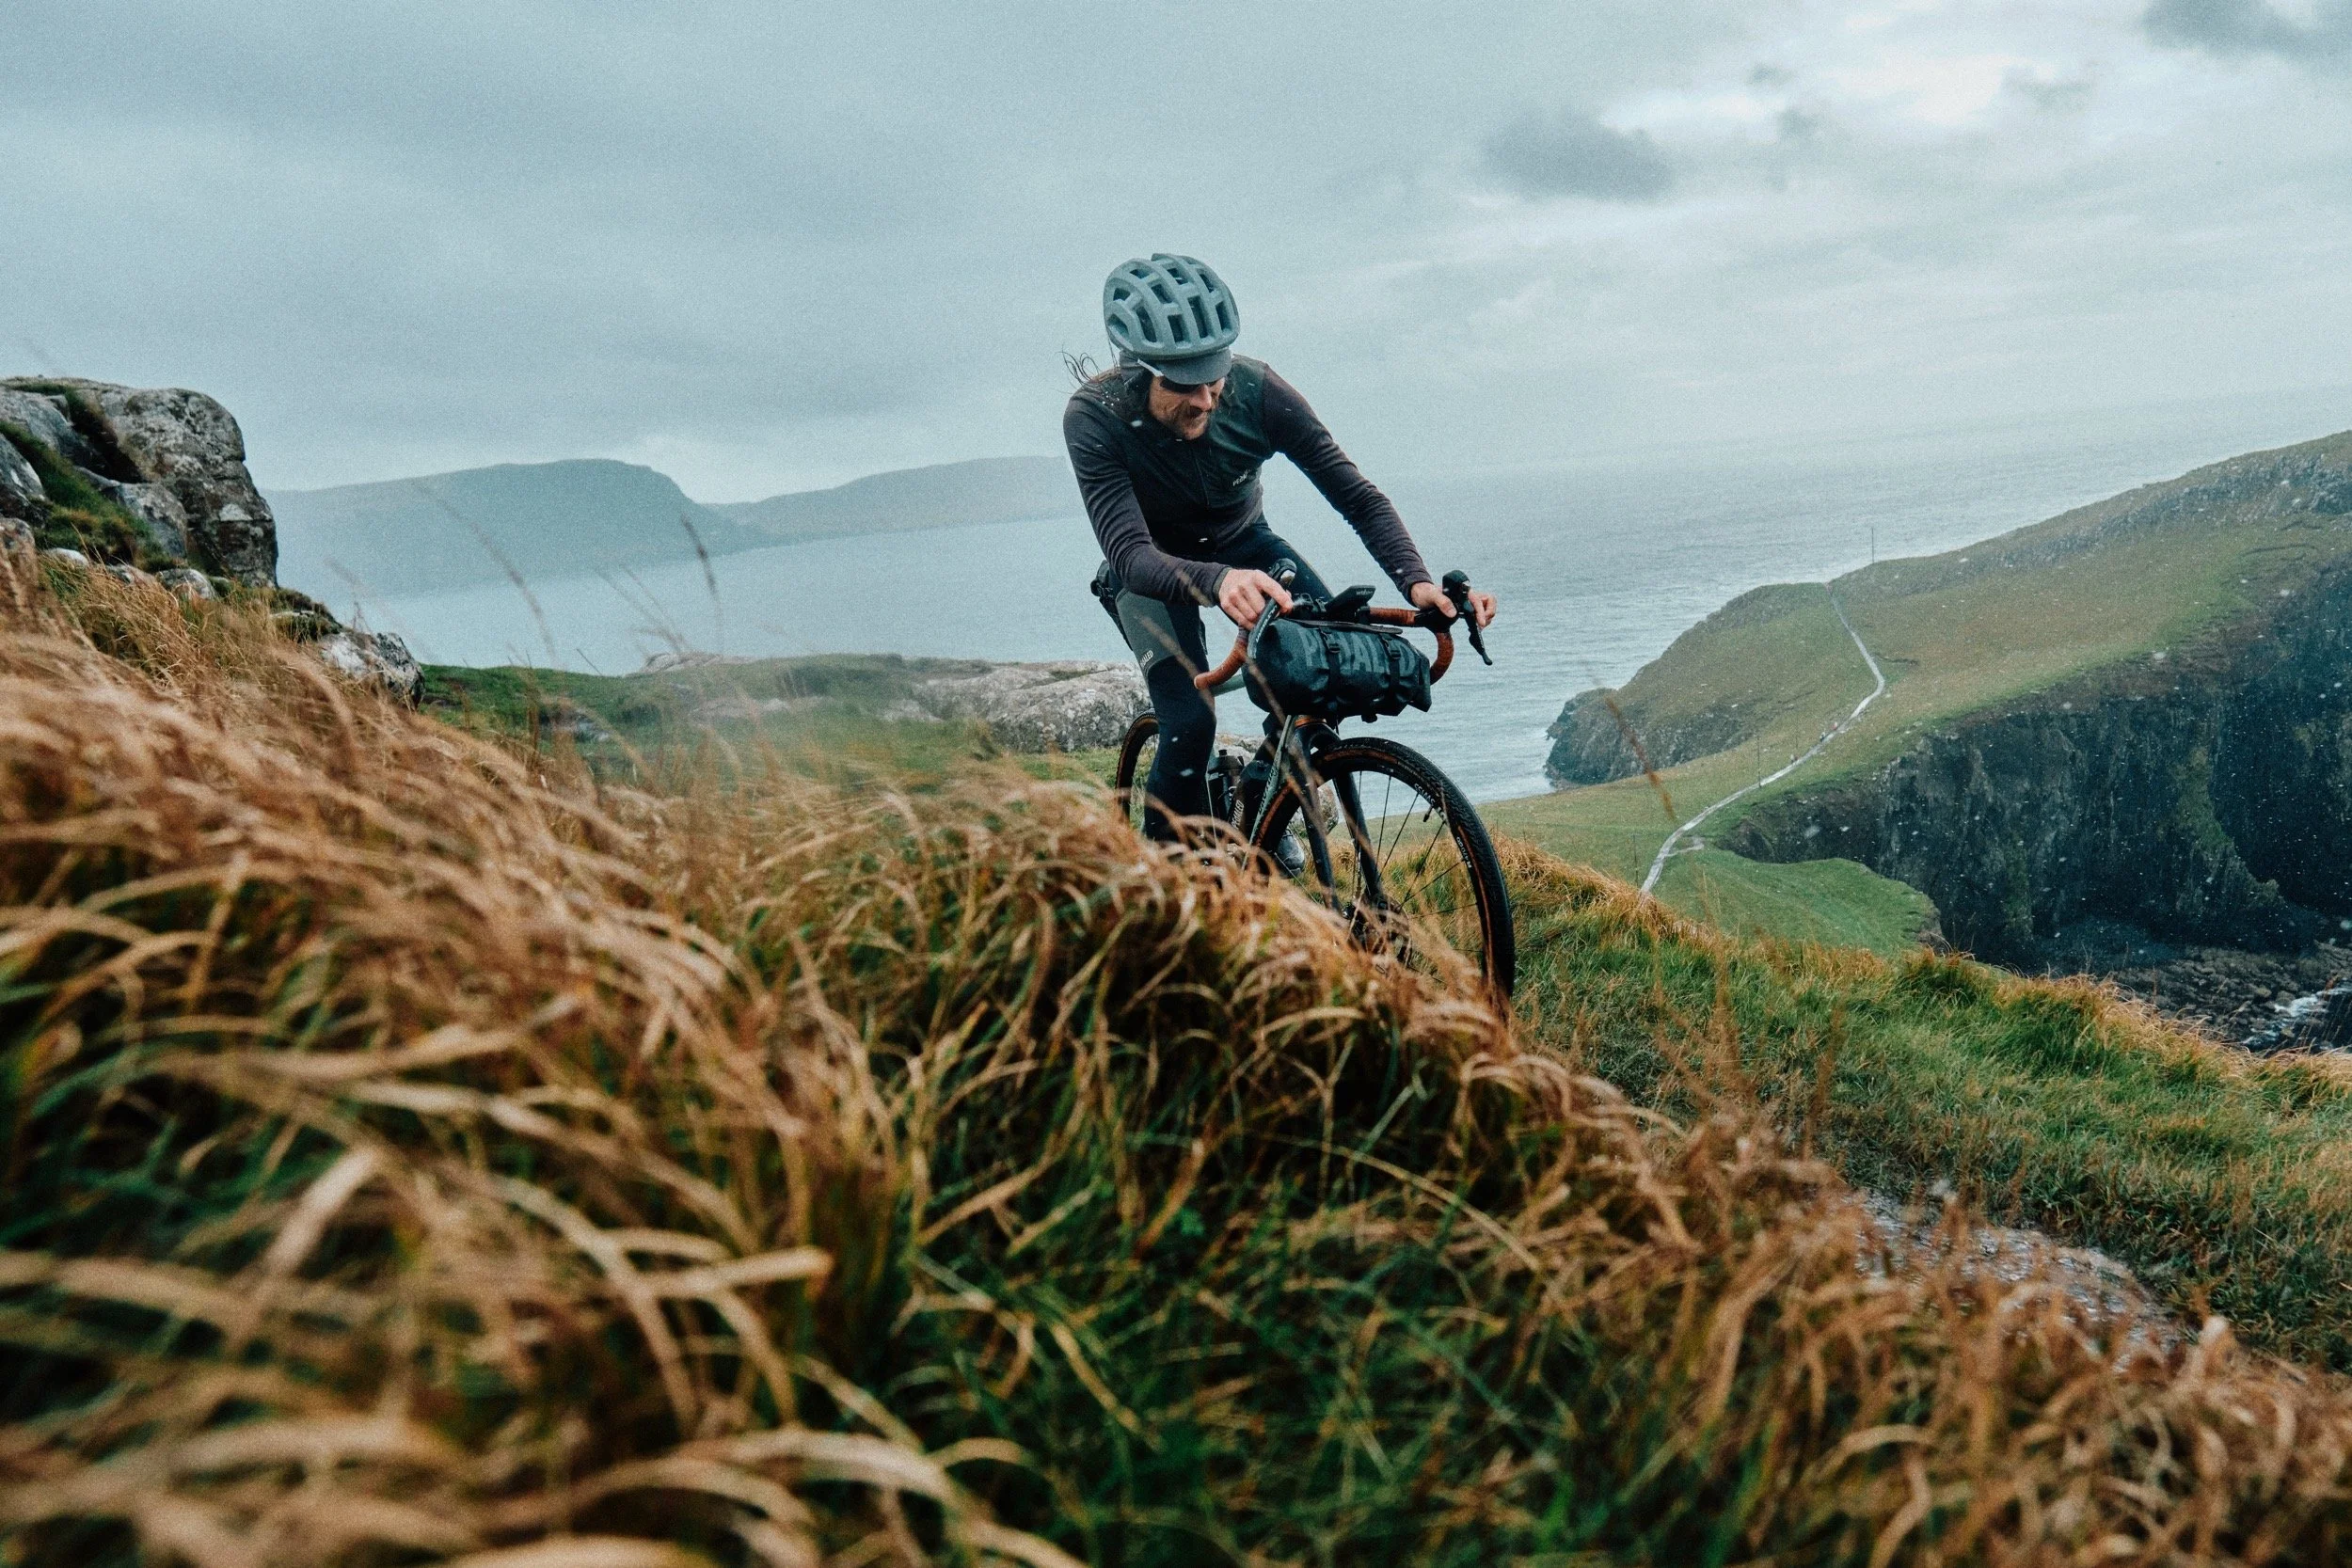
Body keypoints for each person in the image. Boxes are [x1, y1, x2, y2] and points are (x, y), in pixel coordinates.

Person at [1066, 251, 1497, 840]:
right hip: (1152, 573)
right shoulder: (1095, 417)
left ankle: (1262, 794)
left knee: (1332, 679)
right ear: (1137, 370)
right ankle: (1165, 891)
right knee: (1190, 723)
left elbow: (1358, 497)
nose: (1205, 399)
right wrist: (1217, 581)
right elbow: (1131, 556)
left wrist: (1417, 583)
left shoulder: (1259, 392)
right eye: (1183, 384)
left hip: (1247, 544)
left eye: (1213, 375)